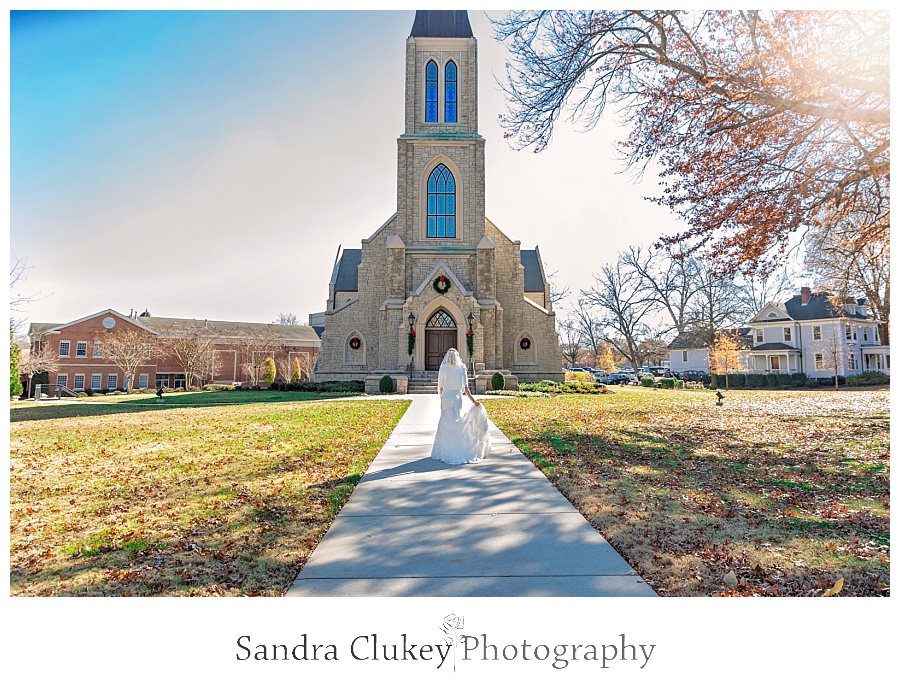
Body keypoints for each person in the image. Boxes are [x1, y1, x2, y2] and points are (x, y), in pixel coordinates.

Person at [431, 348, 490, 464]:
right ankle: (459, 448)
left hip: (447, 397)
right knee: (457, 421)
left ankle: (446, 451)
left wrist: (441, 400)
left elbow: (441, 387)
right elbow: (466, 388)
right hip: (457, 397)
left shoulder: (443, 368)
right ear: (457, 356)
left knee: (445, 424)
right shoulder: (462, 369)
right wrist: (474, 402)